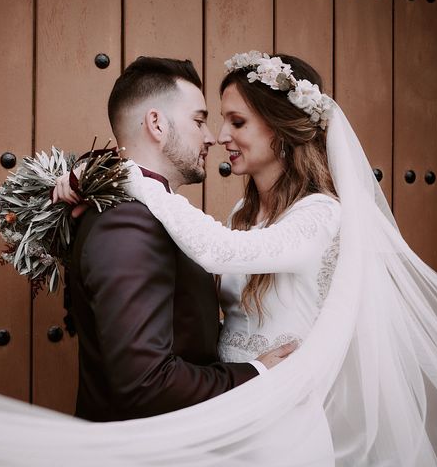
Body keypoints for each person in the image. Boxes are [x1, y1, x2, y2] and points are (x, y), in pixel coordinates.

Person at [57, 51, 437, 465]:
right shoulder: (240, 216)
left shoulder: (321, 214)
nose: (219, 136)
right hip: (222, 416)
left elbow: (221, 252)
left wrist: (126, 173)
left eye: (236, 122)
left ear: (279, 129)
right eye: (211, 120)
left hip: (279, 417)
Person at [58, 56, 294, 422]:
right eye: (199, 121)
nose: (211, 136)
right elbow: (146, 383)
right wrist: (257, 374)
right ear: (156, 123)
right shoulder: (129, 221)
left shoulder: (143, 209)